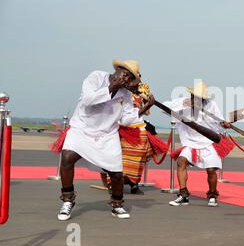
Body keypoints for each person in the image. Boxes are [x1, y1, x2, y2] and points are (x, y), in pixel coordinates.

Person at [55, 59, 154, 220]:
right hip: (82, 129)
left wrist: (145, 108)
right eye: (125, 75)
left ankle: (117, 204)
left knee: (116, 173)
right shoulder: (96, 77)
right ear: (117, 70)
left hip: (107, 135)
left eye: (129, 78)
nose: (126, 80)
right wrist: (111, 87)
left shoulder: (126, 95)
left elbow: (126, 120)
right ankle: (67, 200)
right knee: (67, 158)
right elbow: (88, 100)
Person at [163, 81, 233, 207]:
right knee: (181, 161)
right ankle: (183, 195)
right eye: (193, 96)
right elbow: (165, 107)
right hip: (190, 142)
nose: (195, 99)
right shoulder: (184, 102)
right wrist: (184, 104)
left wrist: (224, 124)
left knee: (211, 170)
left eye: (198, 97)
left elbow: (220, 122)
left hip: (208, 142)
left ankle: (212, 194)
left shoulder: (211, 105)